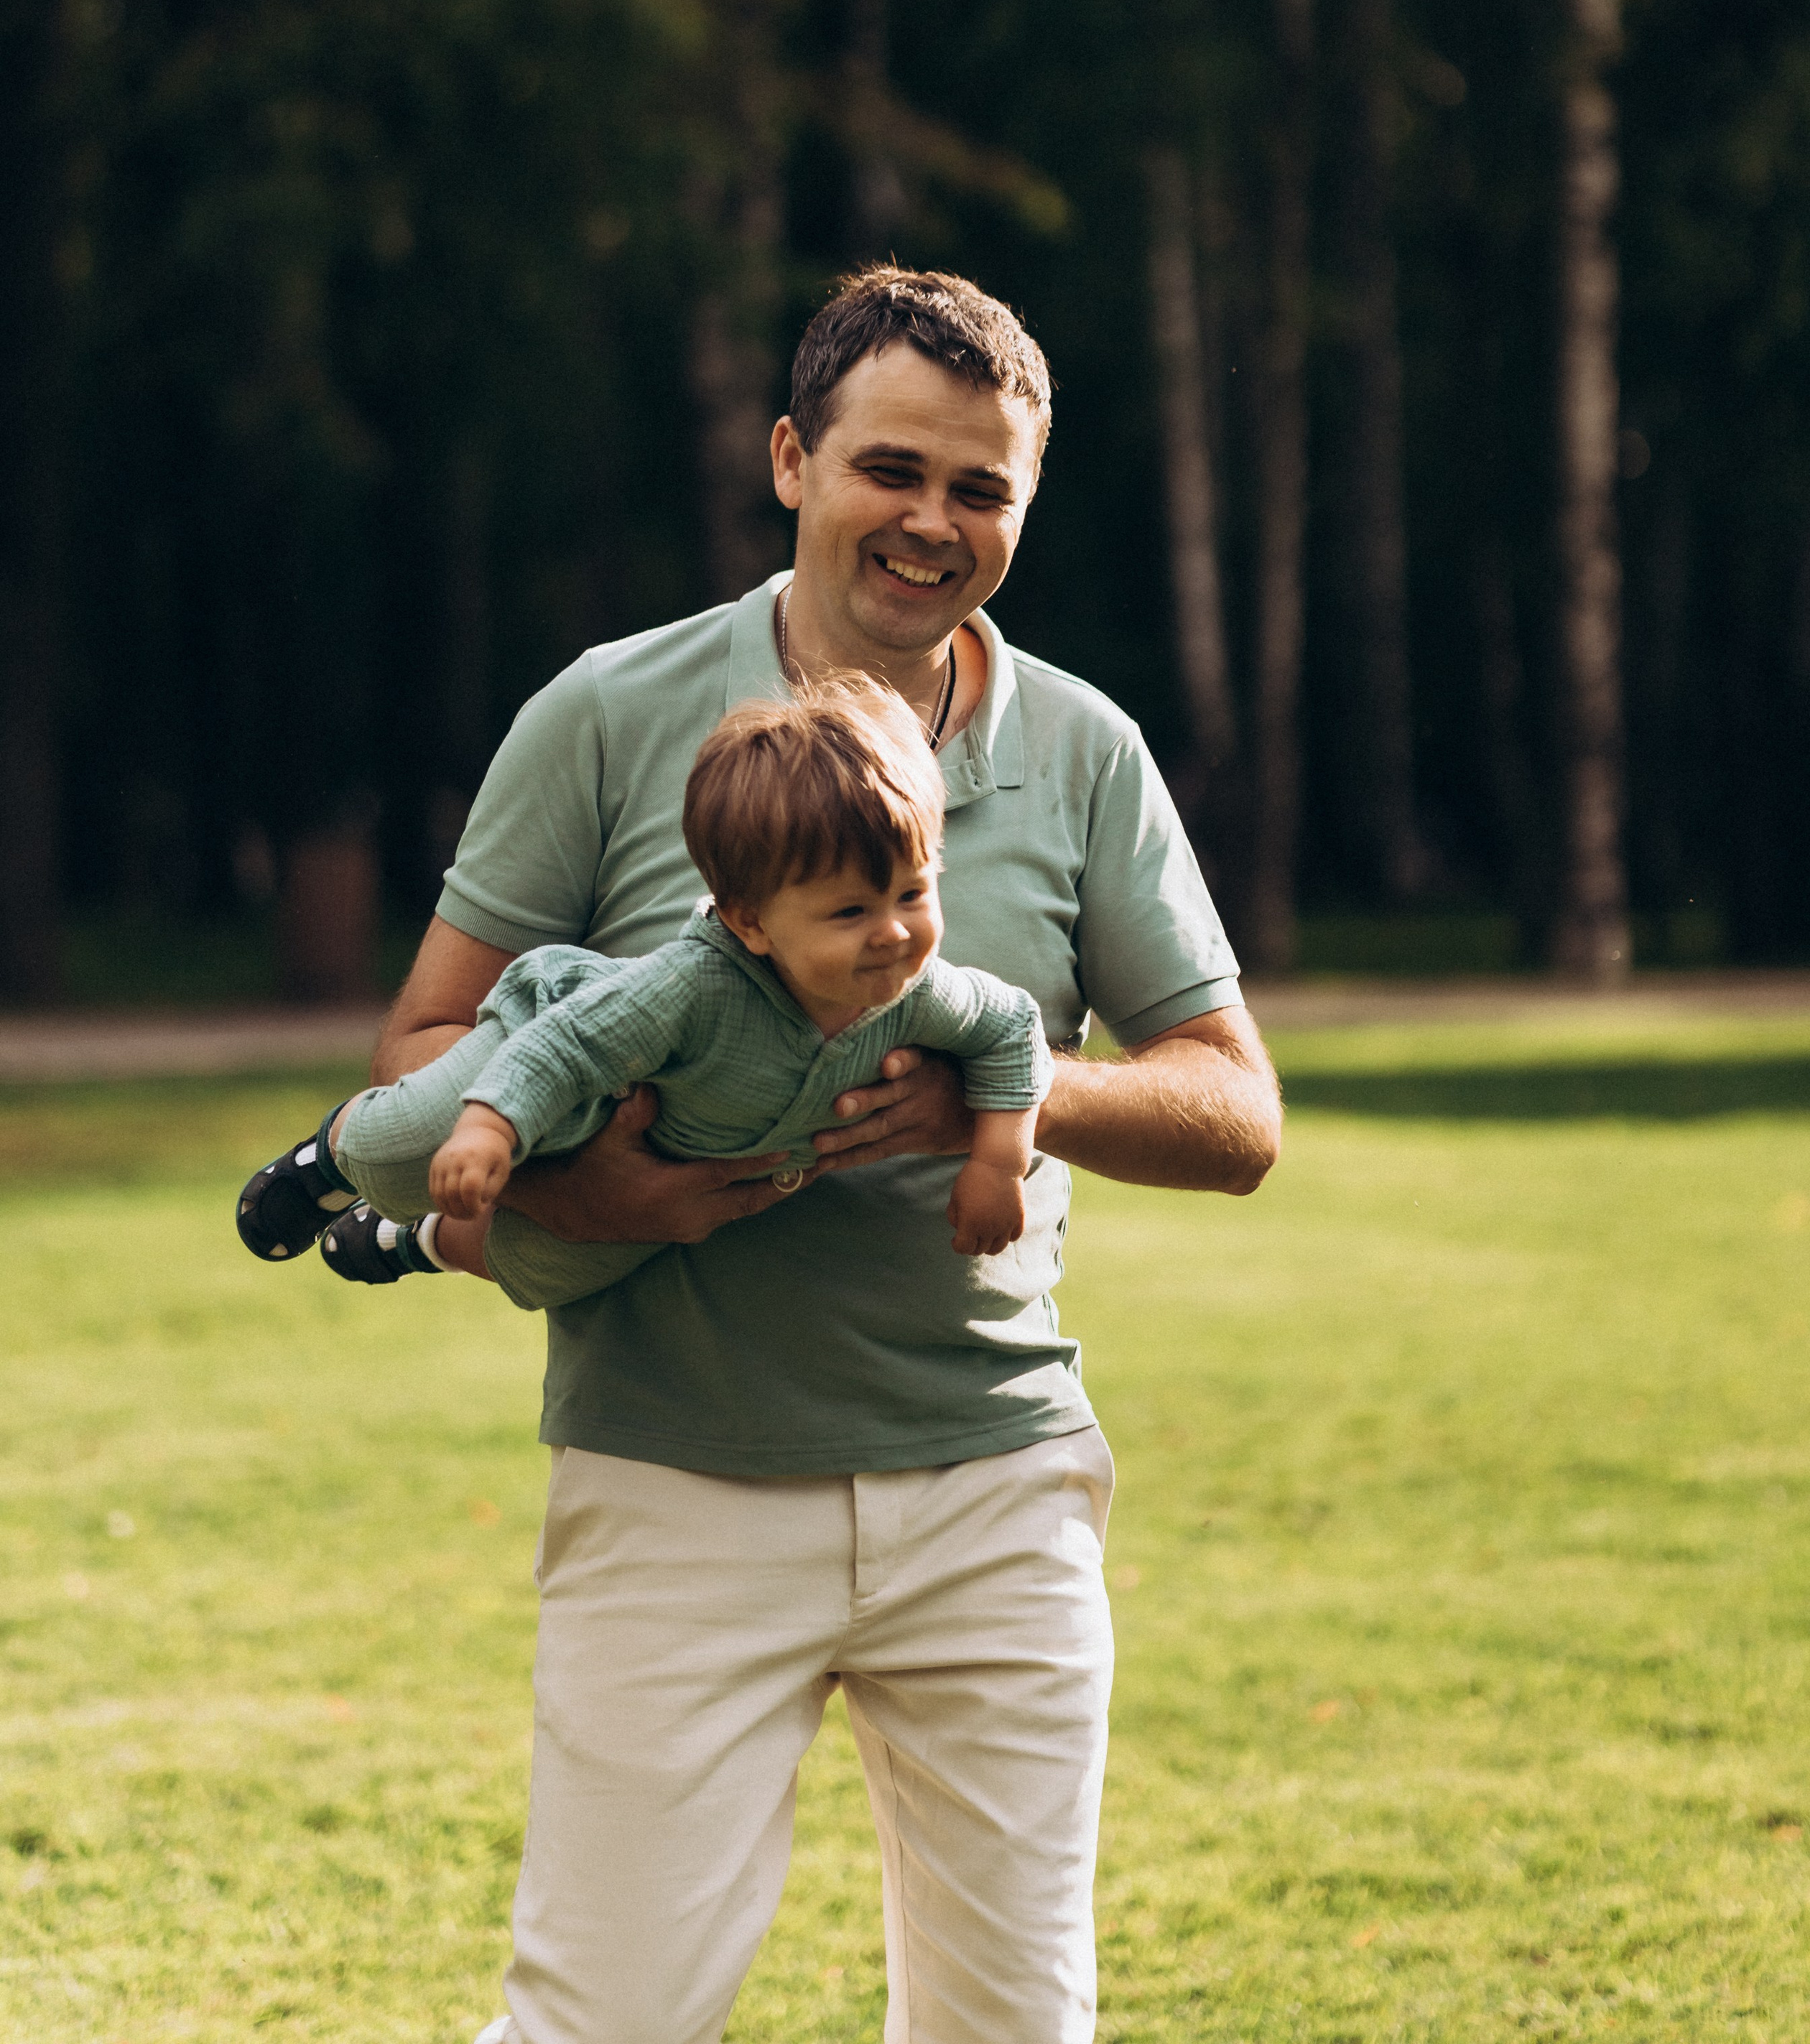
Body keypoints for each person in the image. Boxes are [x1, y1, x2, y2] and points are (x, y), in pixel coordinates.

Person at [344, 266, 1282, 2044]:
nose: (932, 521)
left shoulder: (1084, 751)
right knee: (598, 2024)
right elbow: (415, 1054)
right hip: (675, 1478)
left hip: (993, 1484)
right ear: (792, 457)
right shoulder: (610, 712)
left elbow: (1235, 1113)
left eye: (980, 487)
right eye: (891, 468)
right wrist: (580, 1193)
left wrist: (1007, 1099)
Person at [234, 678, 1049, 1284]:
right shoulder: (692, 985)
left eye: (913, 893)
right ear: (749, 922)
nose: (895, 932)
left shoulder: (921, 992)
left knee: (564, 1267)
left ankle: (405, 1242)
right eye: (850, 913)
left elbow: (1010, 1026)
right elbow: (564, 1048)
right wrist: (488, 1130)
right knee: (413, 1142)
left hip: (667, 1159)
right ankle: (334, 1158)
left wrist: (998, 1161)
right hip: (560, 1053)